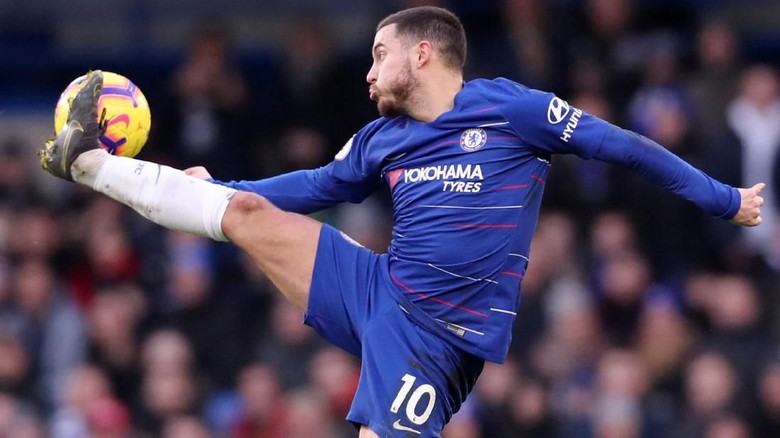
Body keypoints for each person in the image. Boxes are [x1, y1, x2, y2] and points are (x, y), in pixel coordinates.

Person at [38, 6, 765, 437]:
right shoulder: (380, 139)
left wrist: (724, 199)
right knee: (249, 212)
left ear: (423, 54)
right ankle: (85, 163)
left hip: (436, 337)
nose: (368, 72)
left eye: (379, 55)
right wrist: (223, 185)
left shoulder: (512, 108)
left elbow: (625, 146)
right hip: (377, 287)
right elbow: (317, 185)